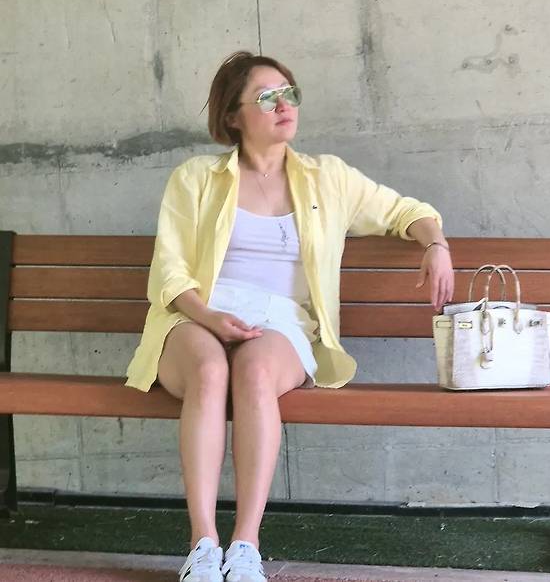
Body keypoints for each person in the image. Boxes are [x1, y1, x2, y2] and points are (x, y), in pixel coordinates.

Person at [125, 51, 455, 582]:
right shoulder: (196, 178)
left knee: (255, 372)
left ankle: (245, 546)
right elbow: (170, 268)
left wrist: (435, 244)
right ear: (233, 116)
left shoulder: (329, 178)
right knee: (210, 370)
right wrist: (208, 316)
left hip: (280, 323)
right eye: (267, 97)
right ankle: (202, 544)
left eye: (289, 93)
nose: (284, 105)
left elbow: (405, 211)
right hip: (197, 316)